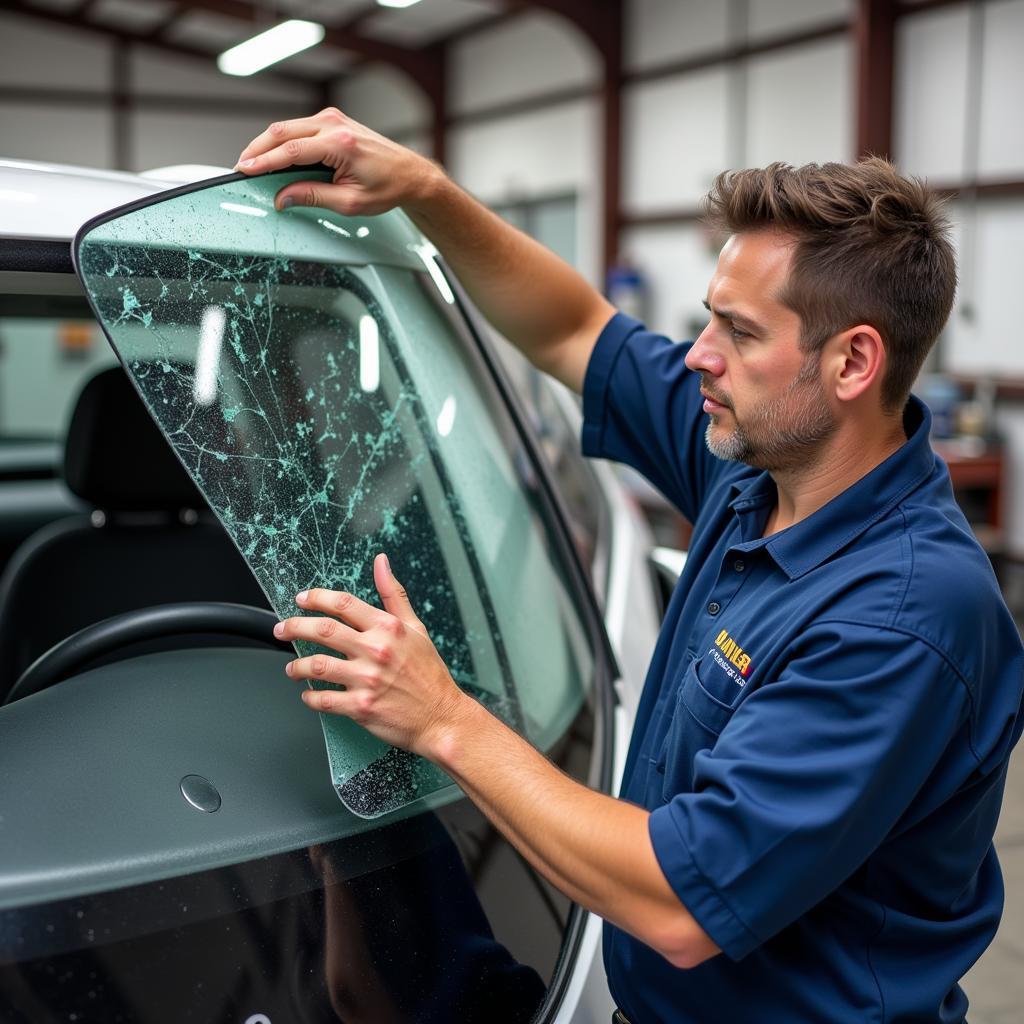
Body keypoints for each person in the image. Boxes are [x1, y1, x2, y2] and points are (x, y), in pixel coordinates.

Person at [237, 108, 1024, 1023]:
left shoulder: (905, 620)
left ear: (852, 362)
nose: (699, 355)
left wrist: (442, 716)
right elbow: (574, 328)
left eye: (739, 331)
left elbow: (682, 900)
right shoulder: (756, 472)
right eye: (706, 322)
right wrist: (427, 191)